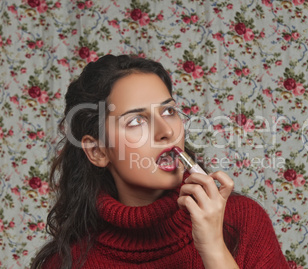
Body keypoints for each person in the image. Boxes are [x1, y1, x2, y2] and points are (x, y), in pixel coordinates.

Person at [30, 54, 289, 268]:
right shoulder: (67, 262)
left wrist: (213, 248)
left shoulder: (242, 221)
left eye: (169, 111)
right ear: (98, 152)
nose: (166, 131)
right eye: (135, 121)